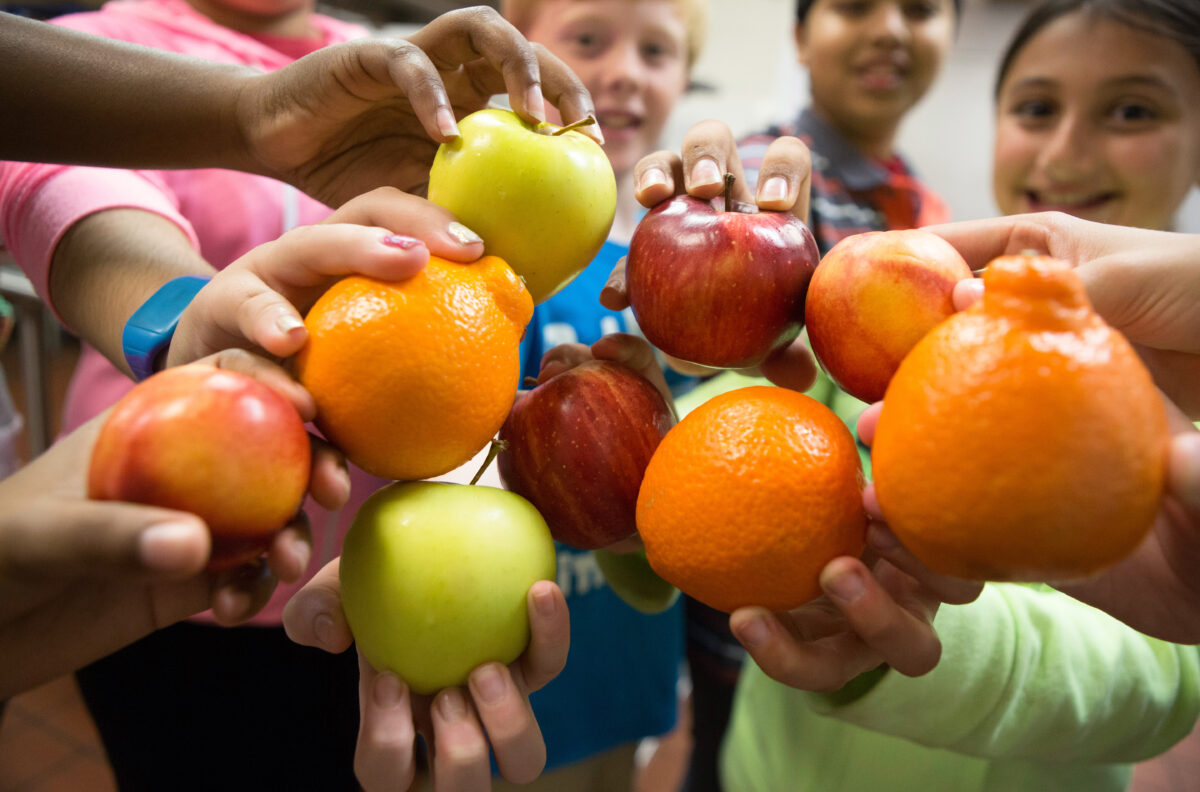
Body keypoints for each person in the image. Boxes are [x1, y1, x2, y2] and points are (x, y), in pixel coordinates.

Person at [0, 5, 590, 790]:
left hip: (363, 587)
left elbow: (472, 310)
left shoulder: (399, 78)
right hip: (150, 549)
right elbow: (53, 187)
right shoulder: (94, 48)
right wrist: (183, 326)